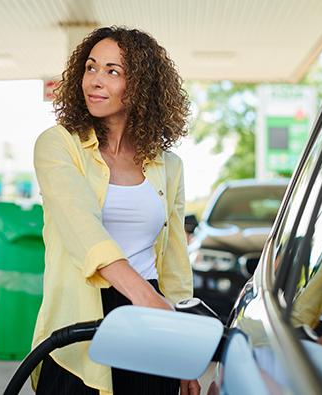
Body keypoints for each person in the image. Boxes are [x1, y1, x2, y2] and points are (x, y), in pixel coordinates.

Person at [31, 26, 200, 395]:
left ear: (140, 85)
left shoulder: (168, 166)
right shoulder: (59, 145)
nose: (95, 81)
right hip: (81, 315)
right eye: (90, 68)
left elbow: (174, 264)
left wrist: (185, 347)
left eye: (112, 71)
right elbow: (81, 226)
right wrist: (142, 295)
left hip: (150, 318)